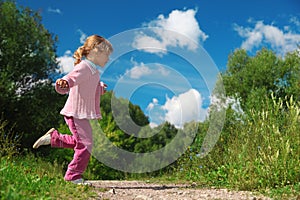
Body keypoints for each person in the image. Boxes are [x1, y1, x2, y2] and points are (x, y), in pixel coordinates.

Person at [33, 34, 113, 185]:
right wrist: (64, 82)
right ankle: (73, 176)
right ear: (96, 51)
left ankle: (54, 138)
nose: (108, 59)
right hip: (75, 113)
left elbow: (89, 86)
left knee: (82, 142)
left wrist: (100, 88)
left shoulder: (93, 71)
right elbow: (72, 78)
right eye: (106, 55)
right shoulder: (84, 67)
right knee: (86, 144)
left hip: (80, 114)